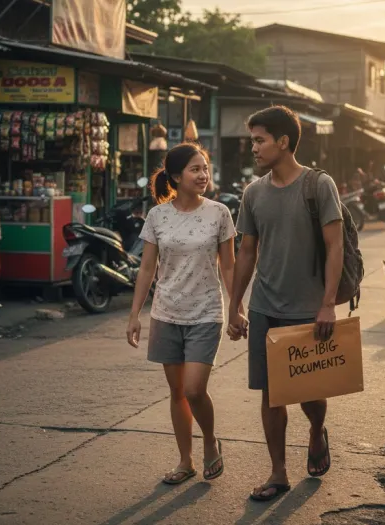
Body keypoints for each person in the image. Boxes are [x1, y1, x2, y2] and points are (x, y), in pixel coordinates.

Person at [227, 106, 344, 502]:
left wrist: (327, 303)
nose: (253, 148)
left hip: (307, 309)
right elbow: (246, 252)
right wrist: (235, 304)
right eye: (252, 140)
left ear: (283, 141)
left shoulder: (318, 185)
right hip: (265, 306)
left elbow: (335, 246)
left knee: (310, 392)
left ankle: (315, 432)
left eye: (259, 140)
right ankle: (278, 472)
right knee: (271, 394)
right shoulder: (253, 192)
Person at [126, 143, 238, 485]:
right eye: (195, 169)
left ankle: (209, 442)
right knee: (176, 394)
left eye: (205, 168)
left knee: (193, 390)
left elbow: (229, 266)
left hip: (206, 313)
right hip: (166, 313)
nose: (203, 175)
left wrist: (237, 309)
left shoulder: (220, 213)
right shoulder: (157, 216)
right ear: (176, 176)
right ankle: (185, 461)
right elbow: (147, 269)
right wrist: (134, 315)